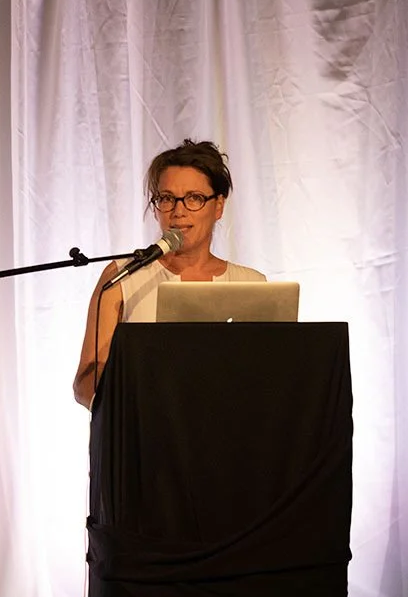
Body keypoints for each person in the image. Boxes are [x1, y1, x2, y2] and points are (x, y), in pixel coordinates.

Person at [74, 139, 268, 408]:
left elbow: (267, 380)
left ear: (219, 206)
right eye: (166, 198)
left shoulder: (252, 285)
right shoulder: (122, 277)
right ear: (156, 208)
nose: (178, 211)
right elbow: (85, 385)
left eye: (194, 198)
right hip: (143, 437)